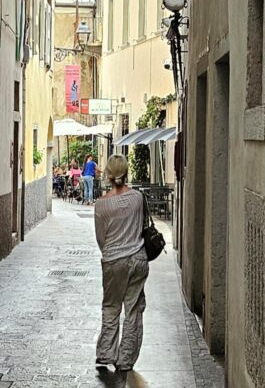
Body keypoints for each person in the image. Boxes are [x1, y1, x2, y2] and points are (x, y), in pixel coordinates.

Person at [93, 154, 148, 373]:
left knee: (111, 306)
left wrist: (111, 253)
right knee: (133, 309)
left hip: (113, 260)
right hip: (138, 258)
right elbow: (142, 225)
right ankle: (126, 359)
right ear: (126, 172)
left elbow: (101, 238)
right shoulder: (138, 198)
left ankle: (106, 353)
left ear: (108, 174)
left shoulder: (101, 204)